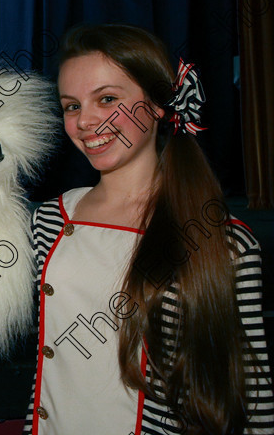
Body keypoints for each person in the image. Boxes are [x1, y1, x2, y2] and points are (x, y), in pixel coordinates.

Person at [24, 23, 274, 434]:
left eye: (107, 99)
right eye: (71, 106)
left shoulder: (223, 241)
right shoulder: (49, 220)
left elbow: (251, 393)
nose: (86, 121)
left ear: (157, 105)